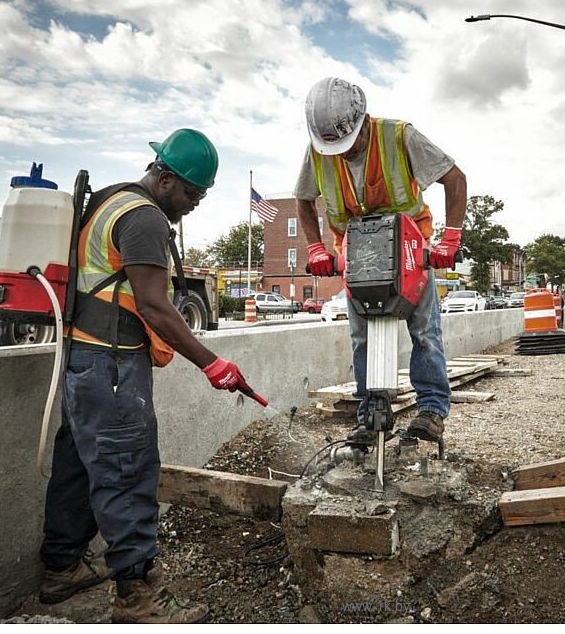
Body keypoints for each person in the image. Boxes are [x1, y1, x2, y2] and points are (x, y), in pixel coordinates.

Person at [39, 128, 258, 624]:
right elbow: (156, 307)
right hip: (112, 365)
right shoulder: (144, 219)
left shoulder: (109, 201)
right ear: (164, 177)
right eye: (191, 192)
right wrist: (211, 362)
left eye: (201, 195)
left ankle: (60, 570)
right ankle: (137, 597)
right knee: (127, 470)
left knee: (77, 464)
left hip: (84, 360)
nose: (195, 203)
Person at [294, 77, 468, 444]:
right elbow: (303, 200)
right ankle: (371, 414)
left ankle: (432, 409)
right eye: (331, 147)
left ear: (363, 121)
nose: (339, 152)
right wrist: (316, 249)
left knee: (425, 333)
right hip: (356, 252)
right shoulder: (319, 150)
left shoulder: (398, 136)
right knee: (362, 338)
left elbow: (455, 179)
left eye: (347, 143)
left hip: (408, 249)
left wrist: (450, 239)